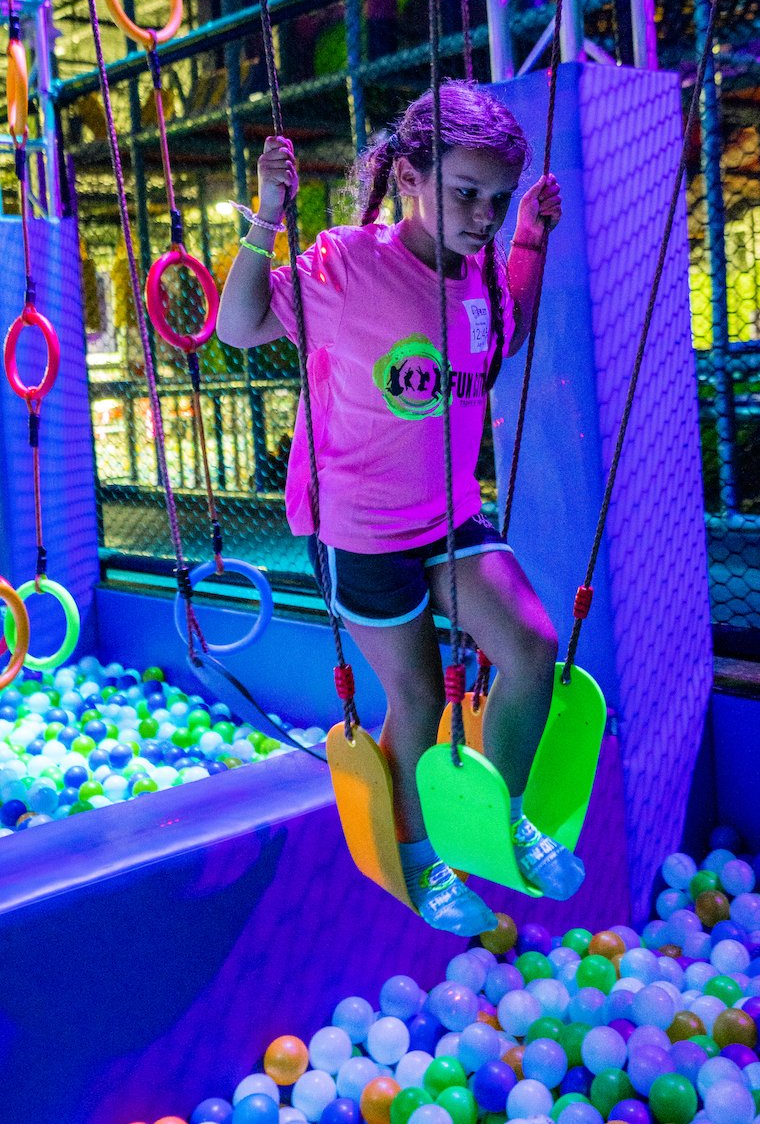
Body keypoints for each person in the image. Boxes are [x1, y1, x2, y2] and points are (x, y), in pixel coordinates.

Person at [217, 80, 584, 935]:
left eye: (498, 200)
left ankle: (502, 816)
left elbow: (505, 329)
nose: (484, 216)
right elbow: (239, 327)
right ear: (411, 176)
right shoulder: (349, 265)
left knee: (532, 646)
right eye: (466, 193)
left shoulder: (480, 271)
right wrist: (267, 216)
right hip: (361, 530)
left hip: (448, 516)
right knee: (418, 698)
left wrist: (530, 239)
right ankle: (420, 860)